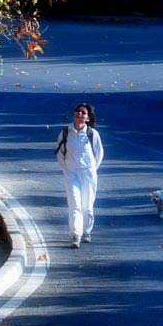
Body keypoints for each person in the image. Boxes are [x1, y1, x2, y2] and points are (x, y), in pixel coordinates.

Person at [56, 103, 104, 248]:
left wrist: (92, 169)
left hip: (88, 173)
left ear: (88, 118)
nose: (80, 114)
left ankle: (87, 232)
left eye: (83, 113)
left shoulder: (92, 134)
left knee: (87, 206)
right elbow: (59, 151)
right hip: (71, 173)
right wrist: (66, 167)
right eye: (78, 111)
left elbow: (99, 153)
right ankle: (76, 234)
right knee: (75, 204)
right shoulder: (66, 132)